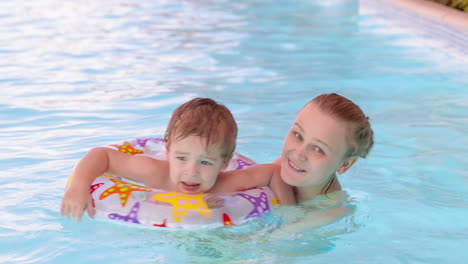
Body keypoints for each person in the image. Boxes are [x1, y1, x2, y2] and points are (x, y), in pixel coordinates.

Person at [61, 98, 295, 221]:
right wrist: (79, 186)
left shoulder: (228, 182)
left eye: (205, 162)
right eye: (181, 158)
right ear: (168, 149)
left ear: (224, 163)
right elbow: (101, 154)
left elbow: (272, 173)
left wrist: (290, 213)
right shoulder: (154, 171)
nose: (191, 172)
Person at [272, 92, 374, 229]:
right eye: (298, 135)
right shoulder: (284, 167)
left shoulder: (330, 212)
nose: (298, 154)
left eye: (318, 149)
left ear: (345, 164)